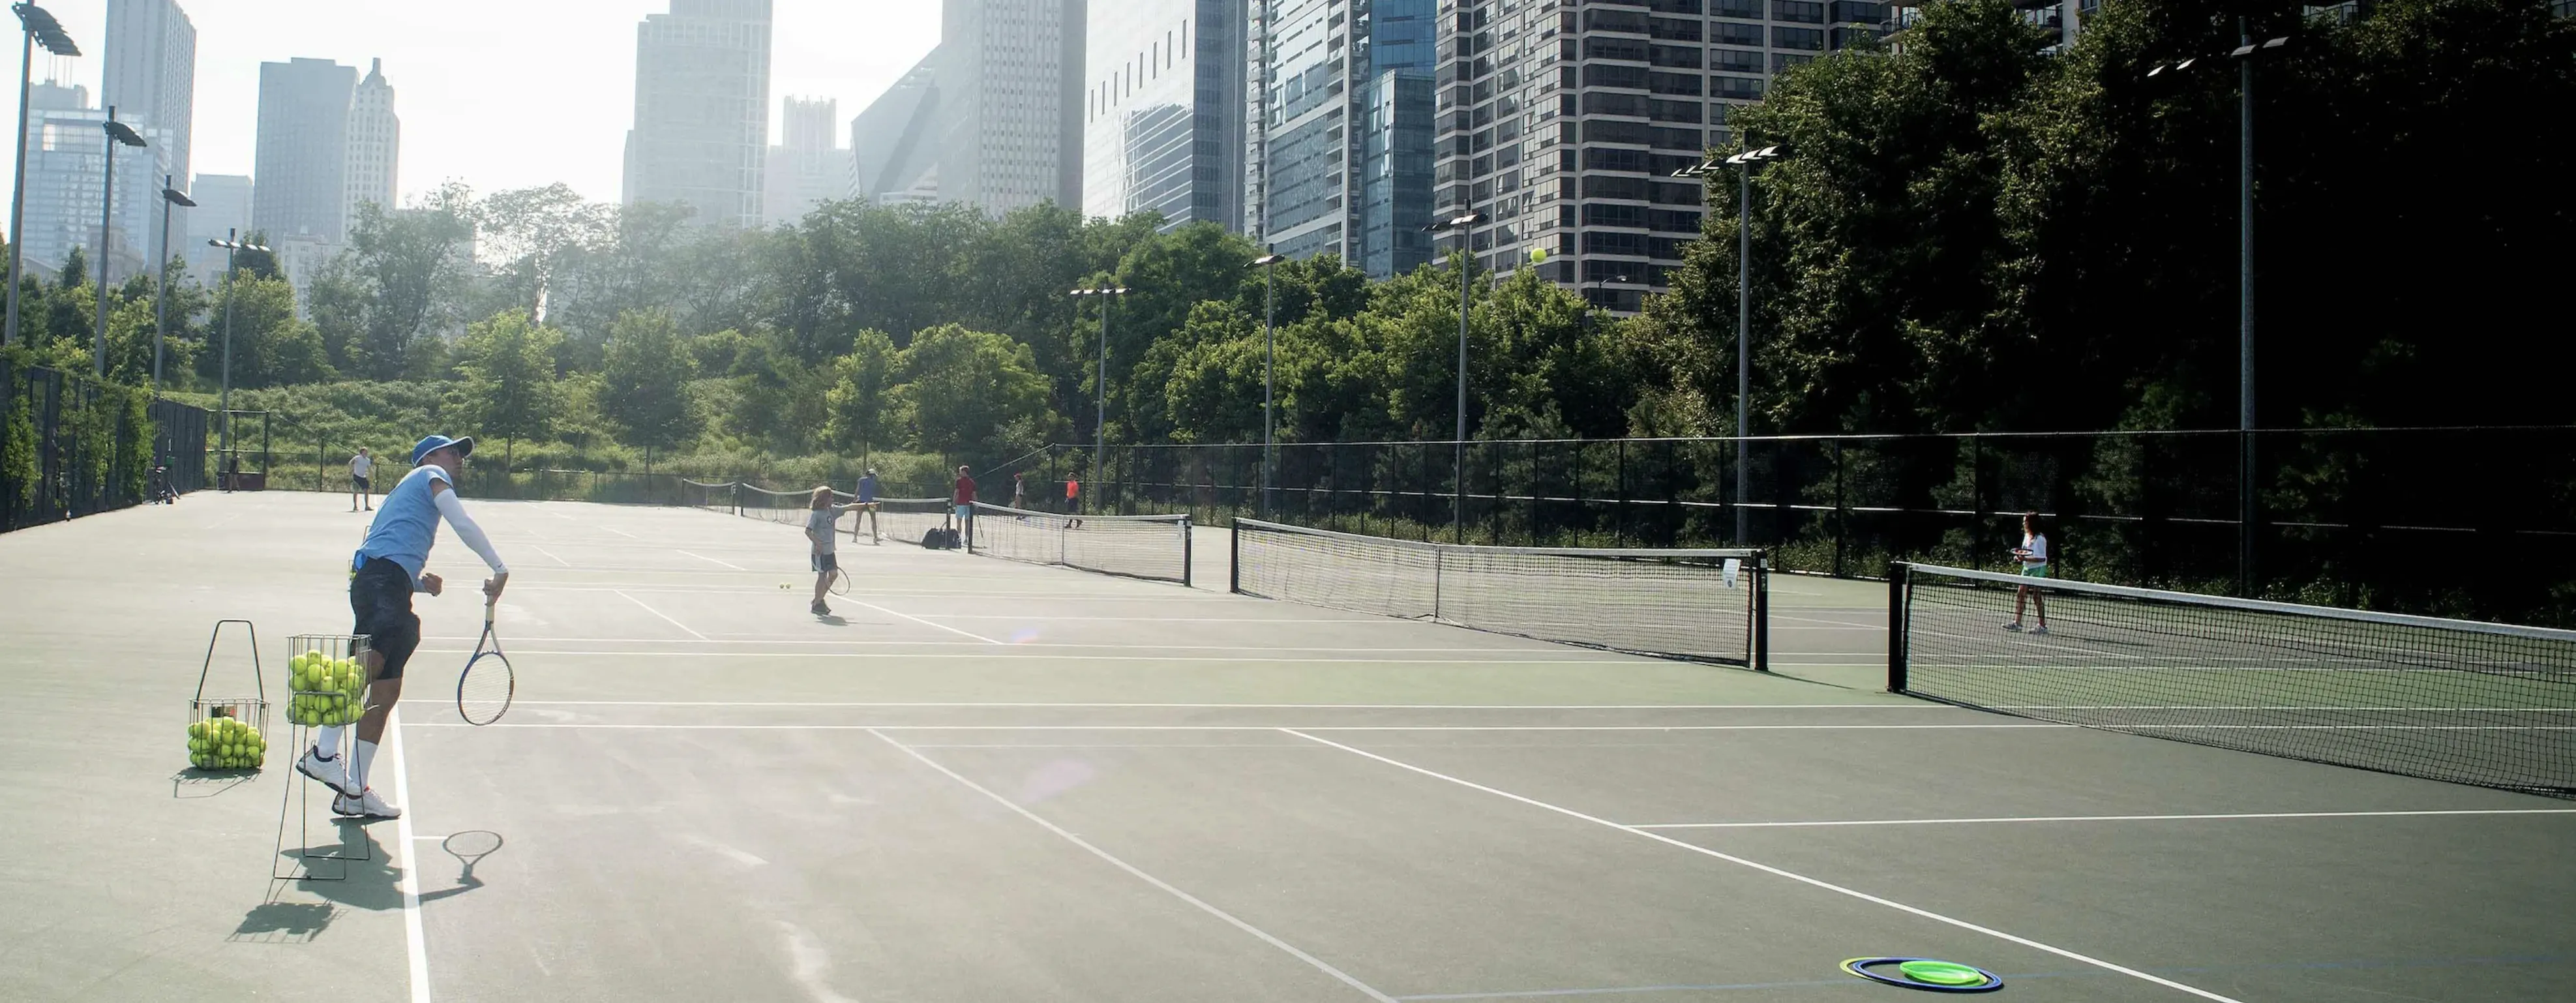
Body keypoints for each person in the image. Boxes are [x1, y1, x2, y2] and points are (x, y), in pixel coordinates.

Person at [298, 435, 508, 820]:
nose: (459, 459)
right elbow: (461, 522)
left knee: (386, 690)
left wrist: (416, 583)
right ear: (428, 457)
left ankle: (355, 791)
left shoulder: (408, 497)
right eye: (453, 451)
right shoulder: (429, 474)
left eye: (461, 454)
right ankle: (322, 754)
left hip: (389, 585)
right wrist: (499, 567)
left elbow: (383, 551)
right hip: (379, 584)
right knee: (368, 666)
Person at [805, 486, 862, 615]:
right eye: (831, 497)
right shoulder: (816, 514)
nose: (833, 499)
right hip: (819, 553)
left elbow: (849, 507)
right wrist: (818, 543)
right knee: (822, 576)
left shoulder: (833, 511)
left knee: (834, 574)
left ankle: (818, 600)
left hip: (830, 551)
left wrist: (866, 505)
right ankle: (817, 603)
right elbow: (808, 531)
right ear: (824, 498)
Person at [2004, 511, 2050, 635]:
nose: (2024, 523)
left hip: (2038, 569)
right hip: (2027, 568)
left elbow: (2041, 558)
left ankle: (2042, 626)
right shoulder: (2027, 536)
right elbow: (2025, 552)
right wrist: (2019, 558)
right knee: (2021, 593)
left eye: (2026, 521)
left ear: (2032, 523)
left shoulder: (2040, 539)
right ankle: (2017, 623)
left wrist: (2024, 559)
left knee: (2036, 596)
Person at [951, 465, 978, 548]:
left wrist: (954, 502)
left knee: (963, 522)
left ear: (964, 472)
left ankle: (964, 538)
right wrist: (976, 503)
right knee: (965, 522)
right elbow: (974, 495)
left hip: (964, 504)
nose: (960, 473)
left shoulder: (961, 481)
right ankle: (962, 537)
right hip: (965, 504)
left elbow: (957, 493)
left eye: (961, 471)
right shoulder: (971, 482)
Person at [348, 447, 376, 512]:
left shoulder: (367, 460)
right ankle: (355, 506)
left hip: (363, 477)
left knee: (367, 491)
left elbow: (369, 468)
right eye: (365, 451)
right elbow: (350, 463)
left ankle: (367, 506)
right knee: (356, 491)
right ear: (362, 452)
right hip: (356, 476)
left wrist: (371, 473)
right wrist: (352, 469)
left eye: (367, 452)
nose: (366, 453)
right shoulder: (357, 458)